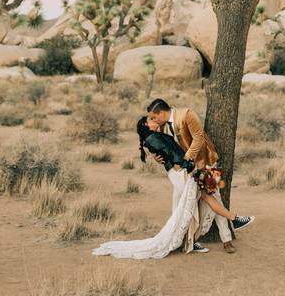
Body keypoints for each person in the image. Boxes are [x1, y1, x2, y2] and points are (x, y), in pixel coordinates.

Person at [146, 98, 254, 254]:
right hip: (186, 171)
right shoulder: (162, 129)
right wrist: (158, 159)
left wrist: (186, 158)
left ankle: (226, 239)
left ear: (161, 113)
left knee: (214, 197)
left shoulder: (187, 114)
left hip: (206, 162)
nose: (153, 120)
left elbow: (199, 137)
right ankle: (184, 240)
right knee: (181, 203)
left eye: (153, 117)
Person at [90, 117, 208, 259]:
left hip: (177, 171)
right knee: (187, 206)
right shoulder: (152, 138)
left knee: (179, 206)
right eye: (151, 119)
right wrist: (186, 165)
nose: (154, 119)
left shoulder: (153, 137)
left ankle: (183, 240)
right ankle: (189, 241)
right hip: (179, 171)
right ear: (146, 125)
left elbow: (168, 151)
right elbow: (171, 153)